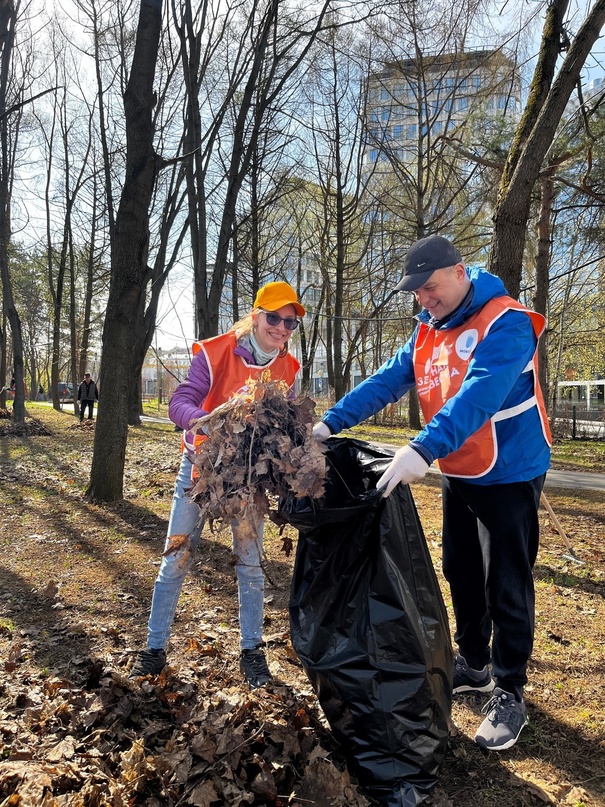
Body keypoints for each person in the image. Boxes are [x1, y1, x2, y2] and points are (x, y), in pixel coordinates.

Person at [313, 235, 551, 751]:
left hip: (510, 469)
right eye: (416, 292)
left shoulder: (507, 322)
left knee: (506, 580)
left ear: (460, 272)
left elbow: (480, 392)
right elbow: (385, 382)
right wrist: (329, 424)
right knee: (459, 567)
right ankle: (475, 662)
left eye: (430, 286)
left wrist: (422, 448)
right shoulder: (426, 331)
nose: (424, 298)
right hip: (462, 468)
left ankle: (510, 691)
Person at [130, 281, 305, 688]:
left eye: (290, 322)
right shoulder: (215, 352)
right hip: (201, 473)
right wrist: (208, 421)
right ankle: (153, 650)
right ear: (256, 315)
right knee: (176, 558)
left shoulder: (288, 369)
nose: (281, 328)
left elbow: (287, 424)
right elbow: (181, 401)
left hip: (247, 482)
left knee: (250, 564)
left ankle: (252, 653)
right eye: (274, 318)